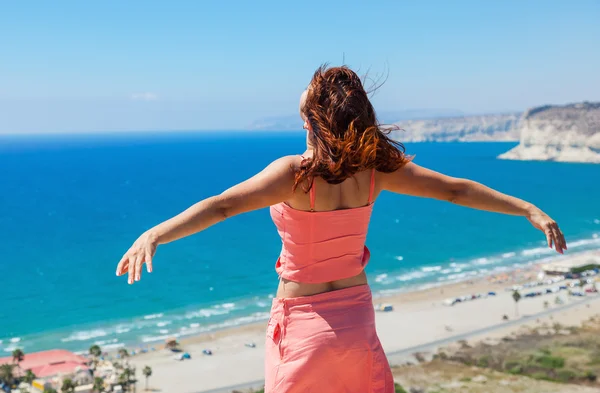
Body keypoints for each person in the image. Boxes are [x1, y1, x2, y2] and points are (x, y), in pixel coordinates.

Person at [116, 65, 567, 392]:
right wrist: (528, 208)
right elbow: (456, 191)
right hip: (355, 317)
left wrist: (155, 233)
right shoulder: (377, 171)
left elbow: (222, 207)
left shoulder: (294, 174)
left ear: (311, 119)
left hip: (302, 324)